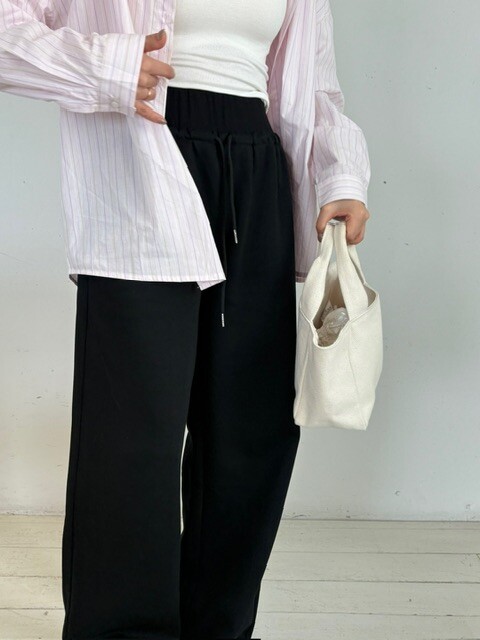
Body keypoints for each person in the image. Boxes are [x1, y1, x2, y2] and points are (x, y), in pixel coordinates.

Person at [0, 0, 371, 638]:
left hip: (257, 170)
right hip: (142, 157)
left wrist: (340, 175)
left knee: (250, 433)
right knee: (131, 436)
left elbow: (313, 85)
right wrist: (103, 68)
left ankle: (217, 628)